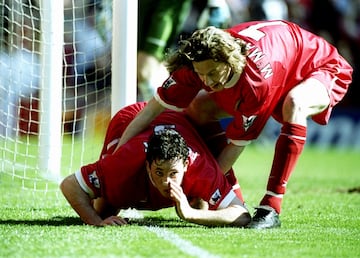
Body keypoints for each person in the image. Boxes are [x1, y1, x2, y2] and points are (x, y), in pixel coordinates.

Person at [115, 20, 353, 229]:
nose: (206, 81)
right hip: (281, 63)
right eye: (201, 75)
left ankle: (271, 207)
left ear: (227, 61)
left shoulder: (255, 84)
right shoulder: (195, 65)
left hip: (320, 66)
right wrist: (116, 160)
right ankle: (228, 191)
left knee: (295, 103)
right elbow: (149, 112)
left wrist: (200, 191)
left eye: (211, 73)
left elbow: (235, 147)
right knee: (199, 108)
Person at [60, 102, 250, 227]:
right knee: (104, 210)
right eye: (159, 172)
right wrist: (96, 222)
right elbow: (69, 185)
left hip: (181, 121)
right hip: (131, 119)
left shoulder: (201, 168)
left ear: (186, 165)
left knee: (202, 205)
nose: (166, 181)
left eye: (173, 173)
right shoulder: (126, 162)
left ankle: (194, 196)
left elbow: (242, 215)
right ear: (147, 165)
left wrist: (191, 214)